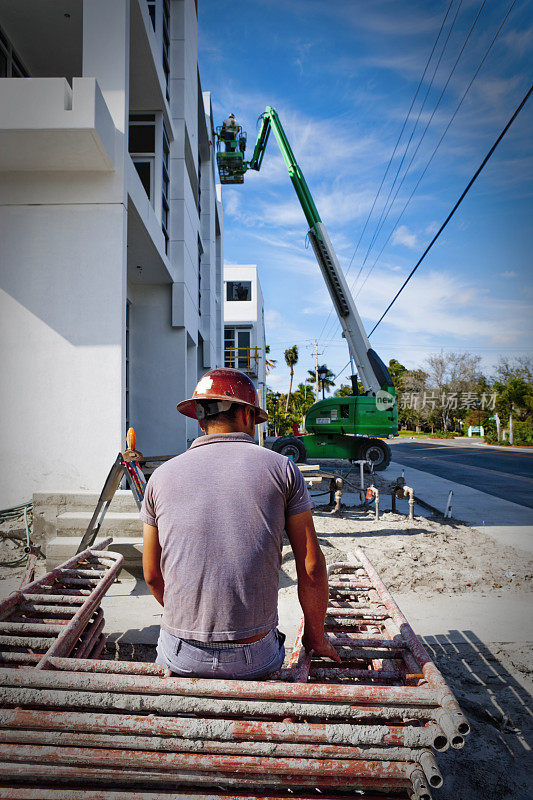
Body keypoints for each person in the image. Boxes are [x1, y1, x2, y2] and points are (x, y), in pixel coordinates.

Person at [141, 367, 340, 679]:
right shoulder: (282, 469)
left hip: (181, 654)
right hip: (253, 656)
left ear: (199, 418)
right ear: (248, 414)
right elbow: (311, 566)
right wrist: (315, 639)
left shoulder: (161, 476)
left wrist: (191, 624)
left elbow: (152, 575)